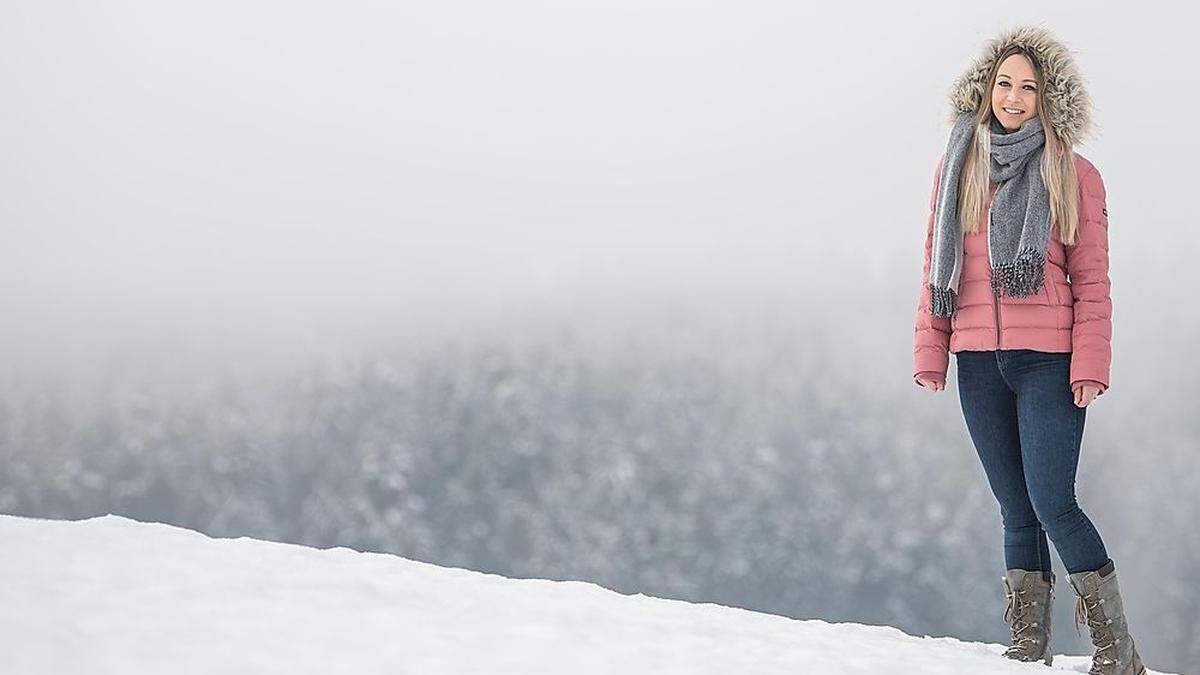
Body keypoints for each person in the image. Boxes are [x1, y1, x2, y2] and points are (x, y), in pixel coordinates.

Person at [912, 24, 1146, 675]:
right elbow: (937, 262)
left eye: (1029, 88)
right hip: (977, 362)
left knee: (1053, 501)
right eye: (1005, 83)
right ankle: (1027, 649)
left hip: (1049, 363)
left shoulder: (1072, 171)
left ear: (1049, 99)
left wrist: (1091, 365)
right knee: (1014, 507)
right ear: (986, 86)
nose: (1014, 97)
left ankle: (1117, 650)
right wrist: (933, 351)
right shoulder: (958, 164)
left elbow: (1093, 278)